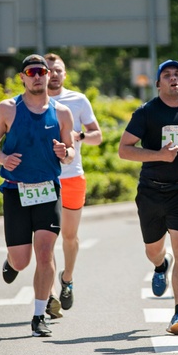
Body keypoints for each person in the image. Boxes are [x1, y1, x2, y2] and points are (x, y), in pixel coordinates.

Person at [0, 54, 76, 337]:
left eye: (42, 72)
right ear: (23, 77)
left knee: (45, 253)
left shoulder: (62, 113)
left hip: (48, 190)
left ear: (49, 76)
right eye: (31, 72)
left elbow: (70, 152)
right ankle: (11, 261)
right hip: (16, 190)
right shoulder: (8, 109)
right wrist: (2, 158)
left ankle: (38, 316)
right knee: (22, 261)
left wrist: (65, 152)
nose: (37, 76)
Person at [118, 59, 178, 336]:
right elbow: (124, 150)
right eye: (167, 75)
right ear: (158, 84)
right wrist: (159, 155)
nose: (174, 78)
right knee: (153, 250)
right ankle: (161, 265)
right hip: (151, 190)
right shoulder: (146, 112)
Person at [44, 53, 102, 317]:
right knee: (46, 238)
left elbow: (98, 135)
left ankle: (67, 279)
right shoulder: (32, 103)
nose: (54, 74)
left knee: (69, 236)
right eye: (49, 70)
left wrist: (79, 136)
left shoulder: (77, 100)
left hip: (72, 176)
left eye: (58, 70)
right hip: (43, 178)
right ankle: (49, 295)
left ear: (65, 74)